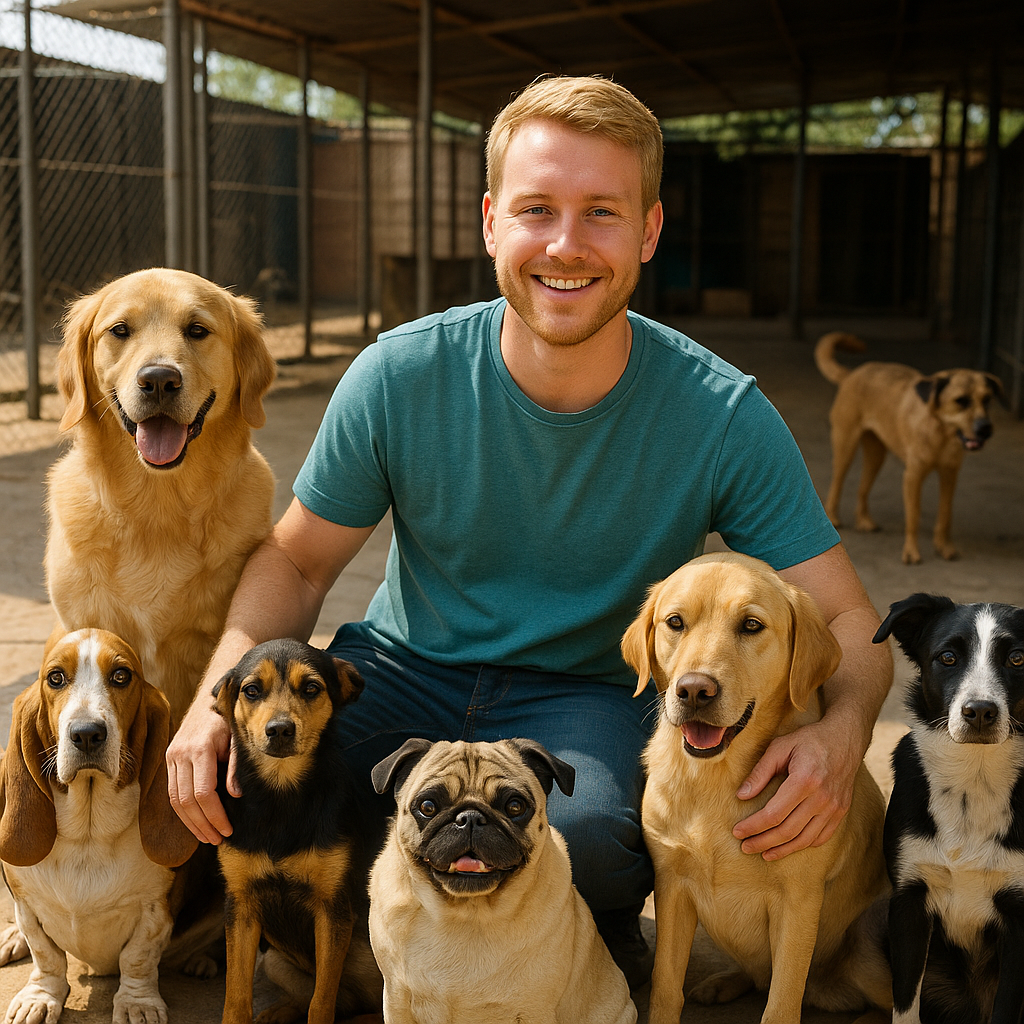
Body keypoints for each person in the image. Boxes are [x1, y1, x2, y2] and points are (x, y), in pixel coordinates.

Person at [166, 75, 893, 989]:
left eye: (601, 213)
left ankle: (580, 942)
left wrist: (841, 734)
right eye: (537, 209)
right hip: (406, 667)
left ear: (649, 232)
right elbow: (299, 563)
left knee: (588, 838)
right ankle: (333, 956)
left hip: (584, 694)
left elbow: (850, 619)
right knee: (259, 778)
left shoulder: (721, 414)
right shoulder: (398, 375)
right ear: (490, 222)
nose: (564, 244)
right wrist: (214, 698)